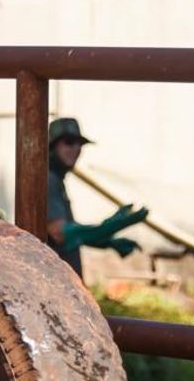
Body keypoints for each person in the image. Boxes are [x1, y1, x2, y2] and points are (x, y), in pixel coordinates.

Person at [45, 117, 148, 277]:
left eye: (80, 144)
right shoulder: (48, 180)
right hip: (54, 281)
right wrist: (105, 228)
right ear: (52, 146)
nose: (76, 148)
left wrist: (106, 241)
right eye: (69, 142)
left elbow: (69, 232)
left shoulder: (57, 180)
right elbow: (59, 234)